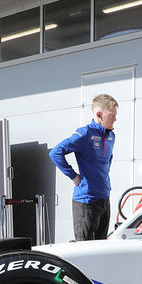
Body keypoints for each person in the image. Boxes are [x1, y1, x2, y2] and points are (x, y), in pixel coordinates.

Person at [50, 94, 118, 241]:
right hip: (86, 201)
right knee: (84, 250)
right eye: (112, 115)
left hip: (104, 199)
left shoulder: (111, 136)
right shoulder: (85, 133)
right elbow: (55, 153)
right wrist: (74, 176)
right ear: (99, 115)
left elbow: (108, 160)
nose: (115, 119)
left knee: (101, 248)